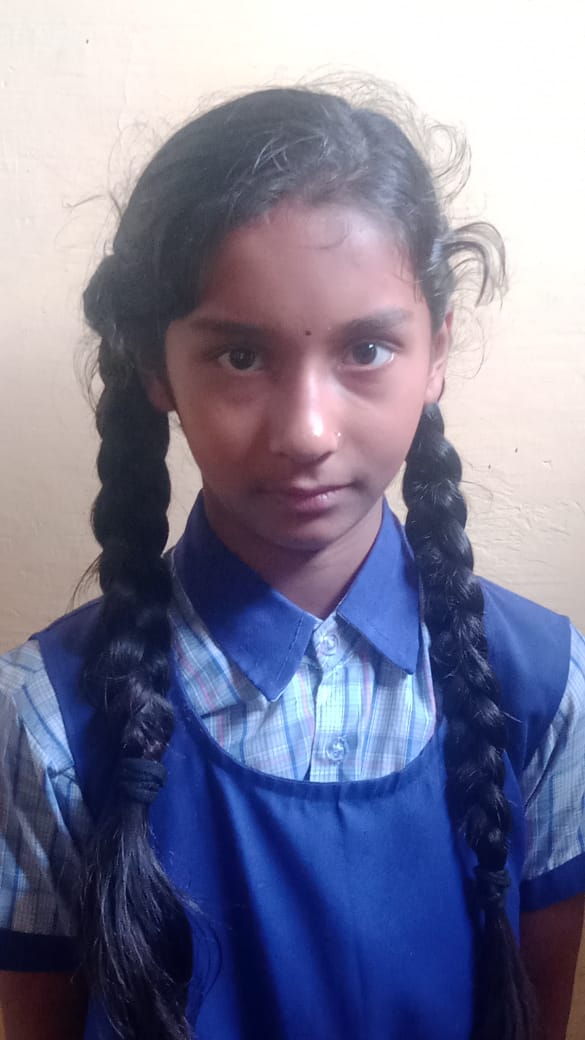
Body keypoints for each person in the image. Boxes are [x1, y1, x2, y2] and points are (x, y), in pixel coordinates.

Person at [0, 83, 583, 1040]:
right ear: (155, 368)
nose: (307, 432)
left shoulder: (545, 683)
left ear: (436, 349)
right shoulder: (47, 718)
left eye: (367, 348)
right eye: (240, 357)